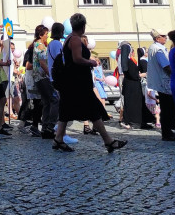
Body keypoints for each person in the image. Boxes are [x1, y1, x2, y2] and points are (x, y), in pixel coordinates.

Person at [54, 13, 127, 154]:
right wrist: (91, 62)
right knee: (93, 111)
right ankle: (108, 141)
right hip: (78, 83)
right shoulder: (75, 39)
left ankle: (58, 139)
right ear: (83, 26)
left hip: (73, 82)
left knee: (66, 110)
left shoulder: (70, 38)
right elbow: (77, 59)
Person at [147, 29, 175, 141]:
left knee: (167, 107)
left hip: (161, 82)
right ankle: (168, 131)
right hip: (164, 81)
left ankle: (168, 131)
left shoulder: (153, 48)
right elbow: (165, 65)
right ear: (157, 38)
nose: (165, 38)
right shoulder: (158, 49)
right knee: (169, 108)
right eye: (163, 36)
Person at [120, 44, 154, 130]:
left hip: (130, 86)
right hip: (132, 86)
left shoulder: (126, 61)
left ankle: (141, 121)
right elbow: (135, 75)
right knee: (133, 104)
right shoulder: (128, 61)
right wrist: (143, 74)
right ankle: (130, 121)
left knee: (136, 104)